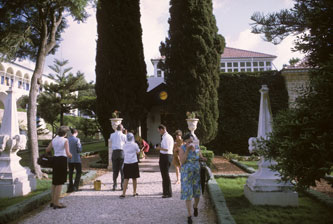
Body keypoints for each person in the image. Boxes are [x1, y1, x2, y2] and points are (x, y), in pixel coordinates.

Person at [179, 133, 206, 224]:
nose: (191, 143)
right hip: (186, 174)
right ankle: (189, 215)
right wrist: (187, 150)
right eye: (189, 141)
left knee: (197, 193)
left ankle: (195, 206)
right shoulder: (182, 148)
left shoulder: (197, 147)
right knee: (188, 194)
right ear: (185, 142)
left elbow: (200, 157)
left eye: (192, 141)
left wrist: (203, 158)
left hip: (196, 174)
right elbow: (182, 161)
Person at [46, 126, 72, 209]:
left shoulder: (54, 140)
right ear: (65, 133)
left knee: (54, 182)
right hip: (62, 160)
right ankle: (57, 203)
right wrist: (71, 156)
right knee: (60, 182)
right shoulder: (65, 140)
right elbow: (68, 153)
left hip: (55, 160)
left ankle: (52, 201)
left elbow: (47, 149)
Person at [155, 124, 174, 198]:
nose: (159, 132)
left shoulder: (166, 137)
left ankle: (168, 193)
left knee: (165, 174)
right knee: (164, 174)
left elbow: (166, 149)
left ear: (162, 129)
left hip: (166, 156)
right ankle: (165, 191)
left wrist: (158, 148)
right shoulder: (166, 137)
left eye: (159, 131)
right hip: (165, 156)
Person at [119, 132, 140, 198]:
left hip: (126, 163)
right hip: (134, 162)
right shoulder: (135, 144)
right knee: (134, 178)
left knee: (126, 179)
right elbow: (138, 151)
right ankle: (134, 192)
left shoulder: (124, 145)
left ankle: (124, 193)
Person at [110, 124, 127, 191]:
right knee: (122, 169)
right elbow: (126, 143)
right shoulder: (124, 135)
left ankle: (114, 185)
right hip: (121, 152)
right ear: (122, 129)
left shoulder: (112, 135)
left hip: (114, 152)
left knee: (115, 170)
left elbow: (111, 141)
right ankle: (122, 185)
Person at [67, 128, 82, 193]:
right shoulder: (77, 140)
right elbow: (79, 149)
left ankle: (70, 186)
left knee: (70, 172)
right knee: (79, 172)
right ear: (76, 133)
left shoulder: (67, 140)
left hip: (69, 158)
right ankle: (76, 186)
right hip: (76, 158)